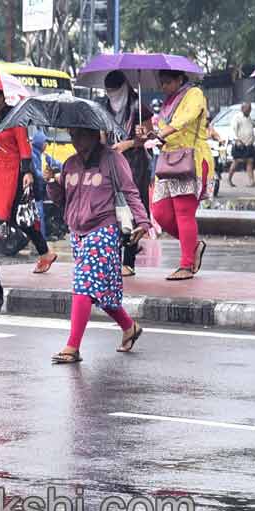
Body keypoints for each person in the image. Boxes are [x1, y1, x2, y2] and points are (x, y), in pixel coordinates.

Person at [47, 128, 152, 364]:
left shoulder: (113, 159)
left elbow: (130, 192)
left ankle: (72, 346)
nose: (76, 139)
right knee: (102, 290)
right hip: (77, 232)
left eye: (81, 135)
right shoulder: (70, 164)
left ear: (95, 134)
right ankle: (129, 327)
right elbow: (61, 200)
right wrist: (52, 183)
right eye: (73, 135)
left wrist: (144, 222)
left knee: (83, 283)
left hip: (103, 229)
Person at [0, 83, 57, 273]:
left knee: (21, 218)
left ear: (1, 97)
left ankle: (44, 252)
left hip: (11, 177)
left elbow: (23, 145)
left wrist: (28, 172)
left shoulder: (15, 116)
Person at [148, 69, 213, 281]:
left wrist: (162, 132)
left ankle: (186, 265)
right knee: (159, 212)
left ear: (179, 79)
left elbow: (186, 119)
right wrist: (150, 133)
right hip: (168, 161)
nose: (163, 87)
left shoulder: (194, 94)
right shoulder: (168, 102)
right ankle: (193, 245)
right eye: (162, 83)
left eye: (167, 82)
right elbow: (163, 131)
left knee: (183, 212)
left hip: (190, 159)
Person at [100, 70, 155, 277]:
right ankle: (114, 256)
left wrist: (131, 142)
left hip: (135, 165)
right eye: (109, 92)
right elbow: (102, 136)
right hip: (111, 163)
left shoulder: (139, 108)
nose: (112, 96)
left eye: (115, 91)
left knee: (133, 209)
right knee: (112, 211)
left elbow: (149, 138)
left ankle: (129, 261)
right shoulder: (104, 107)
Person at [228, 102, 255, 188]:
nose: (249, 111)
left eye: (250, 109)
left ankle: (252, 181)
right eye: (248, 109)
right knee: (236, 162)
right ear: (242, 109)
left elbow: (250, 127)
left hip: (249, 143)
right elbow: (232, 129)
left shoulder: (249, 117)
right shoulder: (237, 117)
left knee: (250, 161)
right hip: (240, 144)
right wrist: (237, 140)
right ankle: (229, 179)